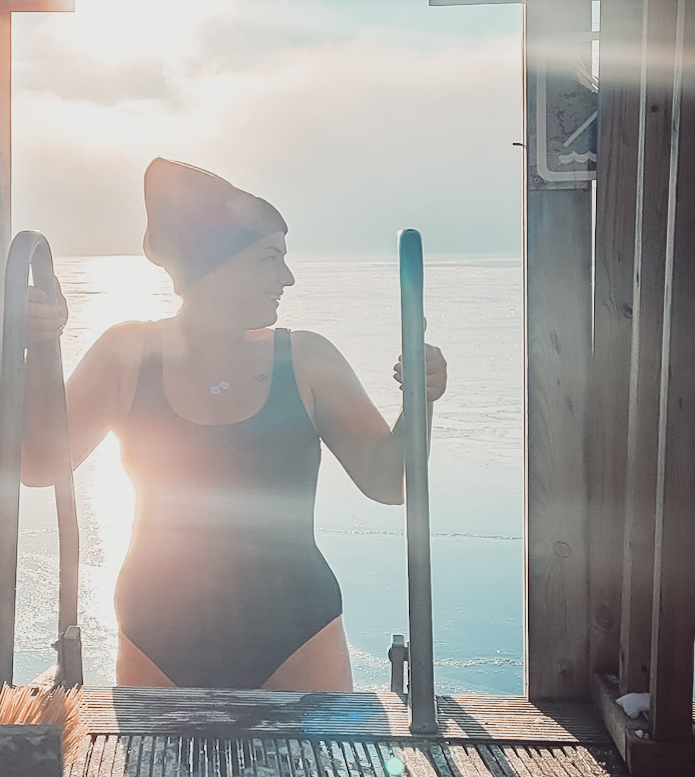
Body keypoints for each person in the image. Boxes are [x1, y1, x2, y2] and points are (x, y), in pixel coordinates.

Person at [22, 159, 447, 691]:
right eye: (270, 258)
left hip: (296, 631)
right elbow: (39, 465)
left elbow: (390, 482)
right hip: (157, 629)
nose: (287, 277)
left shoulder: (308, 359)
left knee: (318, 755)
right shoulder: (126, 353)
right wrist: (36, 350)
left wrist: (419, 401)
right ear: (215, 264)